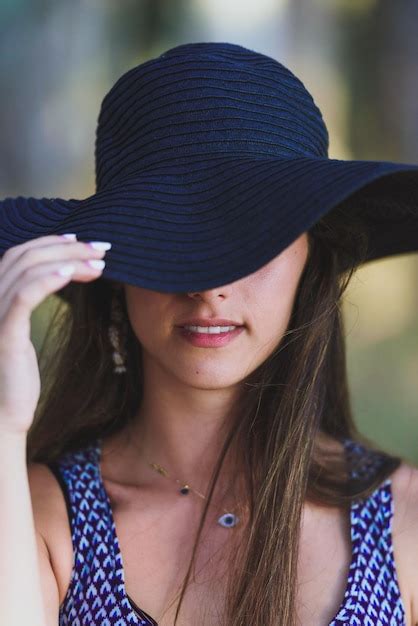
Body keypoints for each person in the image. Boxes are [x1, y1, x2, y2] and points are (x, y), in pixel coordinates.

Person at [0, 41, 418, 626]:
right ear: (113, 271)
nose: (209, 286)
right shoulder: (40, 515)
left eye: (251, 239)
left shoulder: (404, 519)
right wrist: (4, 420)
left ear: (308, 258)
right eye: (166, 237)